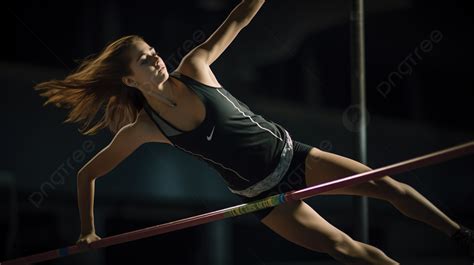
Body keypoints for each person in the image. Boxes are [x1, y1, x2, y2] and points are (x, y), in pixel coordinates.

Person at [34, 1, 472, 264]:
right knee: (344, 249)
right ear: (129, 81)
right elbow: (86, 175)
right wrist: (87, 231)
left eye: (152, 51)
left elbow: (240, 18)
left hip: (295, 157)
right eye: (145, 61)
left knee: (388, 185)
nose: (156, 59)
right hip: (261, 198)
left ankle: (461, 236)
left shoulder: (195, 67)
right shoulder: (146, 127)